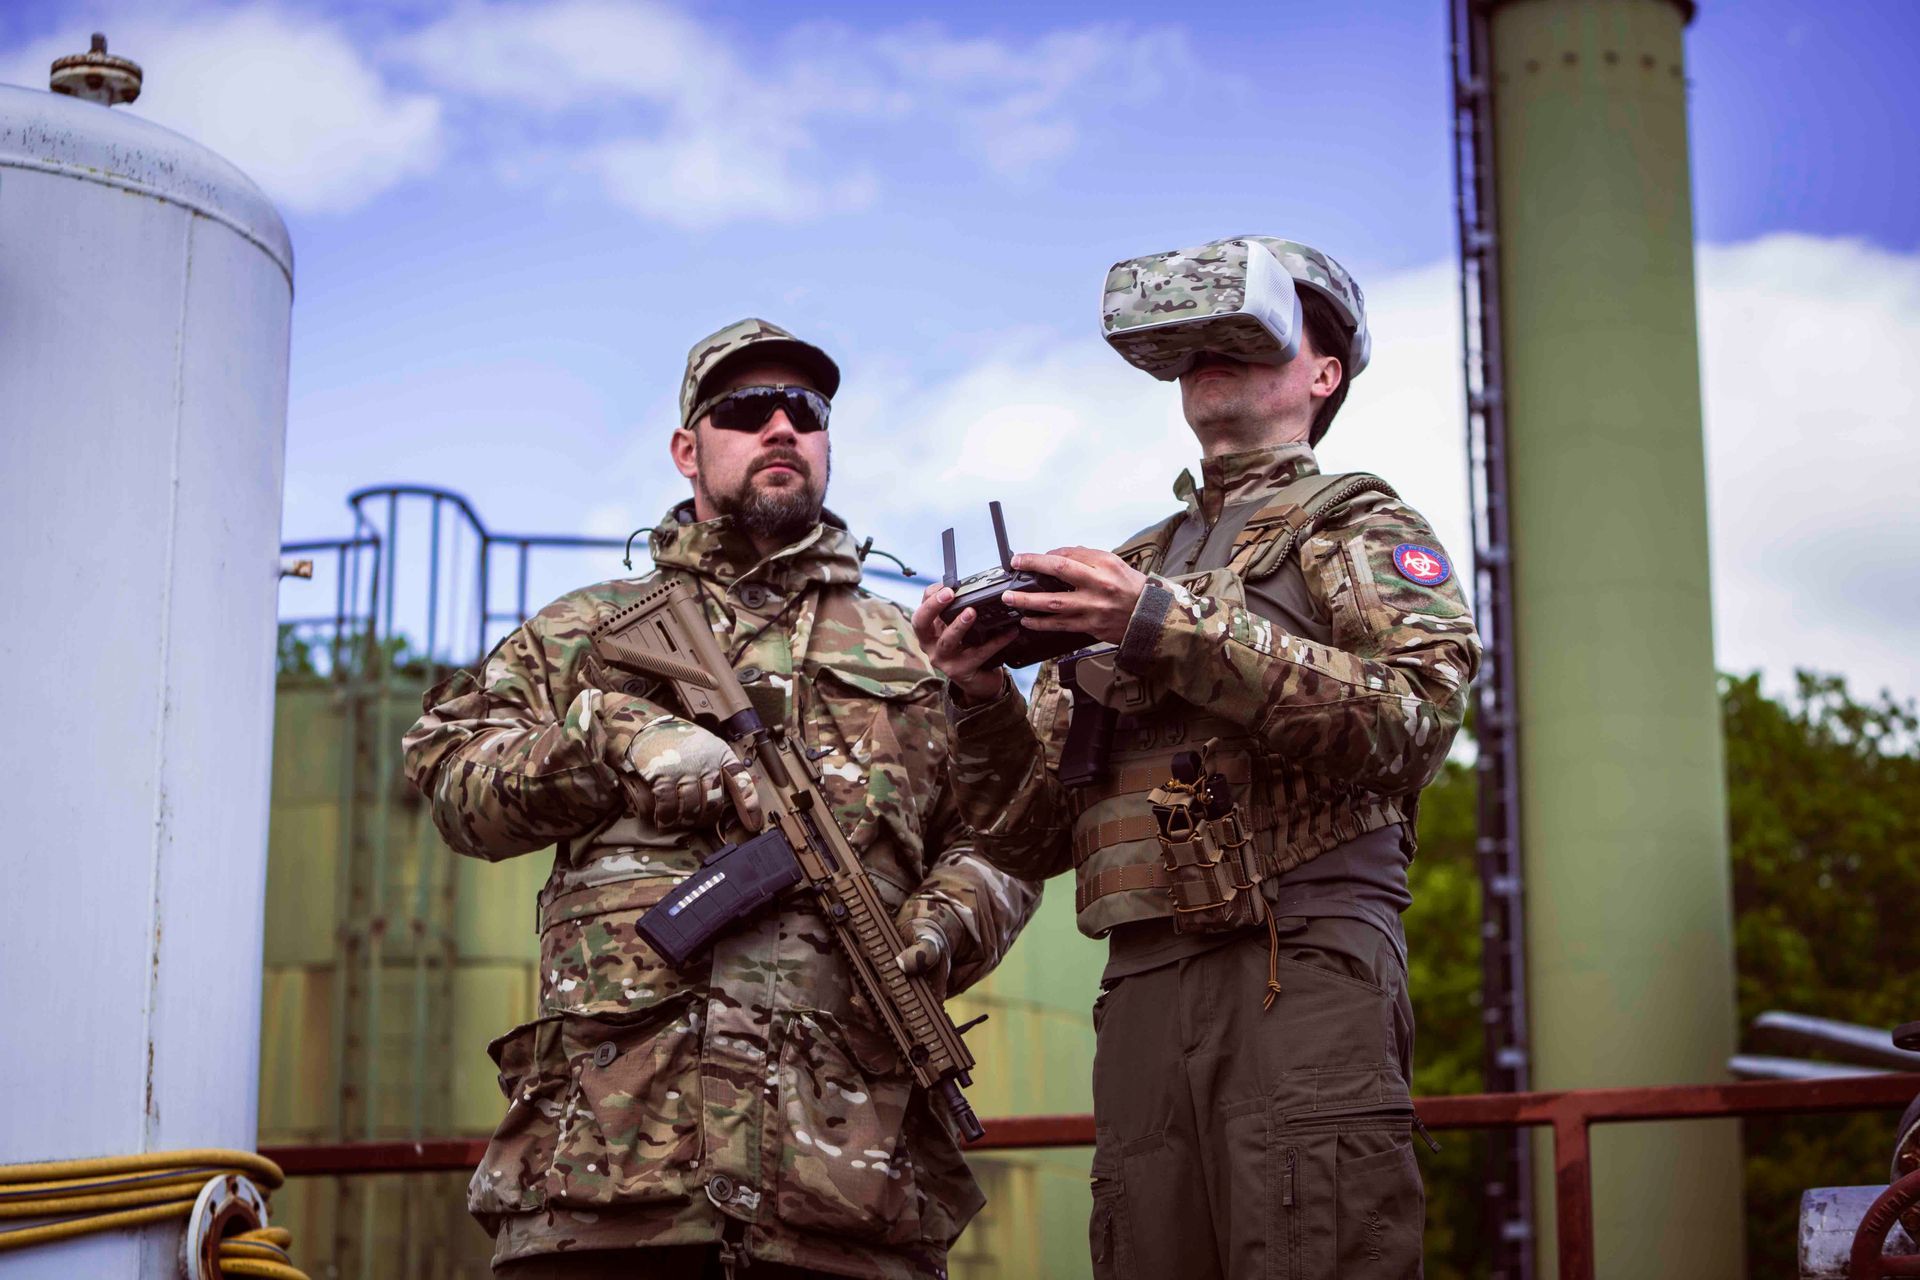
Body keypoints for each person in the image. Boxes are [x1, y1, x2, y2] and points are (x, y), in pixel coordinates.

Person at [405, 318, 1039, 1280]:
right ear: (687, 449)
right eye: (747, 409)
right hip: (608, 1180)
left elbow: (1011, 840)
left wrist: (943, 926)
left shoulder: (921, 650)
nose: (782, 426)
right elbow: (451, 776)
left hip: (848, 1189)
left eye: (808, 411)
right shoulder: (587, 633)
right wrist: (613, 740)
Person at [912, 238, 1480, 1279]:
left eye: (1257, 327)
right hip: (1142, 987)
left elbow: (1415, 719)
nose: (1216, 350)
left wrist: (1164, 628)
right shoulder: (1124, 566)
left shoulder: (1355, 525)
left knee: (1316, 1241)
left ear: (1324, 373)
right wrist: (979, 692)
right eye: (1199, 341)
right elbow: (1027, 831)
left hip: (1298, 964)